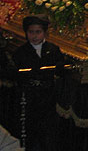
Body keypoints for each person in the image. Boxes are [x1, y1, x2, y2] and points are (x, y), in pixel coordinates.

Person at [12, 15, 66, 151]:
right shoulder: (21, 52)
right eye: (31, 32)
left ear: (44, 33)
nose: (34, 36)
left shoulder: (53, 49)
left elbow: (60, 69)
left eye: (38, 32)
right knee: (30, 130)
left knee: (48, 130)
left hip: (47, 95)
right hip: (29, 97)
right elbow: (15, 73)